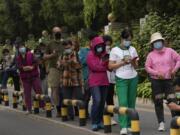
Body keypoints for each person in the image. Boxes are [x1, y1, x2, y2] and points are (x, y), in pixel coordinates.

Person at [145, 32, 180, 132]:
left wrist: (174, 70)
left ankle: (176, 122)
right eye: (155, 42)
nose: (157, 43)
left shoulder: (170, 51)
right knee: (158, 102)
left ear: (162, 41)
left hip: (169, 80)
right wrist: (156, 73)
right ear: (152, 44)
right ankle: (161, 123)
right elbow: (147, 67)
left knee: (172, 100)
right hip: (156, 81)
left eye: (159, 41)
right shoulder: (151, 55)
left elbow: (179, 59)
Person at [108, 29, 139, 135]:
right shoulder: (114, 50)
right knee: (123, 102)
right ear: (122, 39)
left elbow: (136, 66)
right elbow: (110, 66)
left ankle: (130, 125)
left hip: (133, 77)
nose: (128, 42)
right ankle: (123, 126)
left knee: (131, 102)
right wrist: (122, 62)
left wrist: (134, 61)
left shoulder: (133, 49)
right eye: (126, 39)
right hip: (121, 78)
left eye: (130, 40)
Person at [87, 36, 109, 131]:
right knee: (97, 100)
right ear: (94, 46)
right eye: (98, 45)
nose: (100, 47)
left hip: (104, 81)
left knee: (102, 102)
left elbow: (109, 66)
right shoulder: (90, 55)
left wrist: (104, 65)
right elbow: (94, 67)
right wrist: (104, 67)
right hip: (94, 82)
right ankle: (94, 122)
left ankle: (100, 121)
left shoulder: (105, 55)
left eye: (101, 45)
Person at [17, 43, 43, 114]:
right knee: (27, 93)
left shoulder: (30, 54)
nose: (22, 49)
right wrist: (23, 68)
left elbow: (36, 62)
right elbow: (19, 66)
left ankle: (42, 105)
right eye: (20, 48)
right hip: (25, 78)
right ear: (18, 50)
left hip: (34, 76)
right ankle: (29, 109)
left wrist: (32, 67)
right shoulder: (18, 57)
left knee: (38, 89)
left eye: (22, 47)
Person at [44, 26, 64, 117]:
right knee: (55, 89)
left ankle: (68, 109)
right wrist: (52, 55)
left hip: (64, 68)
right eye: (56, 32)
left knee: (65, 89)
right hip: (54, 68)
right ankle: (58, 109)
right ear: (53, 34)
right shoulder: (50, 44)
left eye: (59, 32)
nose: (58, 34)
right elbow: (44, 57)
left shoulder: (64, 43)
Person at [103, 35, 117, 125]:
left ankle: (111, 117)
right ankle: (101, 116)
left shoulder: (114, 52)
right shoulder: (100, 53)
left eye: (109, 44)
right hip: (102, 79)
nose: (108, 46)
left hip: (111, 80)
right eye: (106, 44)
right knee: (101, 99)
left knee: (110, 98)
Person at [78, 42, 90, 118]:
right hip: (86, 76)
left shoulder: (99, 50)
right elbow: (81, 62)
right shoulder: (83, 50)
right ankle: (84, 113)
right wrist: (90, 57)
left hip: (96, 77)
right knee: (86, 97)